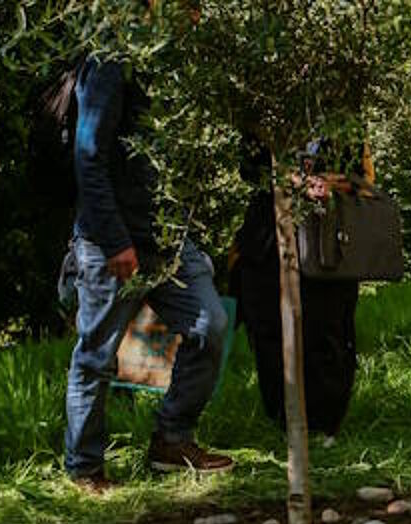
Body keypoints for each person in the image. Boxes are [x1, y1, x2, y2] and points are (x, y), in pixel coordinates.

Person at [63, 53, 233, 490]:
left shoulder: (171, 66)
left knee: (209, 324)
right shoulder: (110, 64)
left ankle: (172, 440)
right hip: (112, 240)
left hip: (168, 238)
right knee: (97, 355)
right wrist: (115, 239)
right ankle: (84, 468)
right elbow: (88, 155)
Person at [232, 136, 368, 443]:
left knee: (327, 328)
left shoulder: (344, 115)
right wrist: (291, 180)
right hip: (269, 235)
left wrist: (327, 183)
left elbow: (358, 177)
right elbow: (249, 168)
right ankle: (281, 419)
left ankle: (324, 422)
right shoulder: (264, 112)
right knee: (267, 327)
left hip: (328, 240)